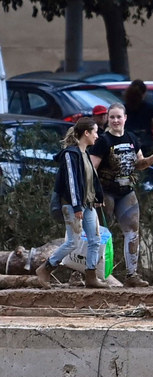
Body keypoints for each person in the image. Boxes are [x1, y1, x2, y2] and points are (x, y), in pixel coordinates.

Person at [89, 102, 153, 287]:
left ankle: (132, 275)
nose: (115, 120)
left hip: (127, 191)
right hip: (106, 193)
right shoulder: (102, 141)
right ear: (108, 119)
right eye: (112, 117)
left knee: (133, 233)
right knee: (100, 234)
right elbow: (91, 169)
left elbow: (139, 164)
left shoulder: (131, 138)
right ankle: (92, 273)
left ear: (125, 118)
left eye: (118, 117)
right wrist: (95, 194)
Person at [36, 118, 106, 289]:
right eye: (95, 132)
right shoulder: (70, 154)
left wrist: (98, 198)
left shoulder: (86, 154)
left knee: (94, 240)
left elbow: (90, 180)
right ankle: (46, 268)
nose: (97, 135)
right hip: (72, 204)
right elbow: (71, 182)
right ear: (86, 133)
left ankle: (91, 276)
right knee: (73, 242)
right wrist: (76, 207)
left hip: (87, 204)